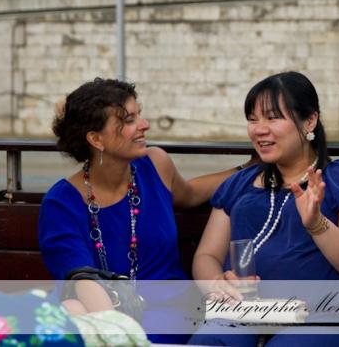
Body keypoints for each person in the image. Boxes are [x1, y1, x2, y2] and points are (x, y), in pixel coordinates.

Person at [39, 78, 252, 344]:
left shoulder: (155, 164)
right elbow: (82, 280)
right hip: (101, 312)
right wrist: (119, 333)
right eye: (129, 120)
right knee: (74, 314)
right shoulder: (61, 204)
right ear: (96, 139)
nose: (144, 124)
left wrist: (248, 169)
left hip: (170, 315)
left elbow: (190, 193)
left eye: (139, 114)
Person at [189, 71, 339, 347]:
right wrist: (216, 284)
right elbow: (207, 254)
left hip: (323, 318)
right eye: (252, 119)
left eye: (272, 117)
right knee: (214, 339)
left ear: (310, 120)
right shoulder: (239, 184)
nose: (259, 129)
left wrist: (317, 224)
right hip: (244, 313)